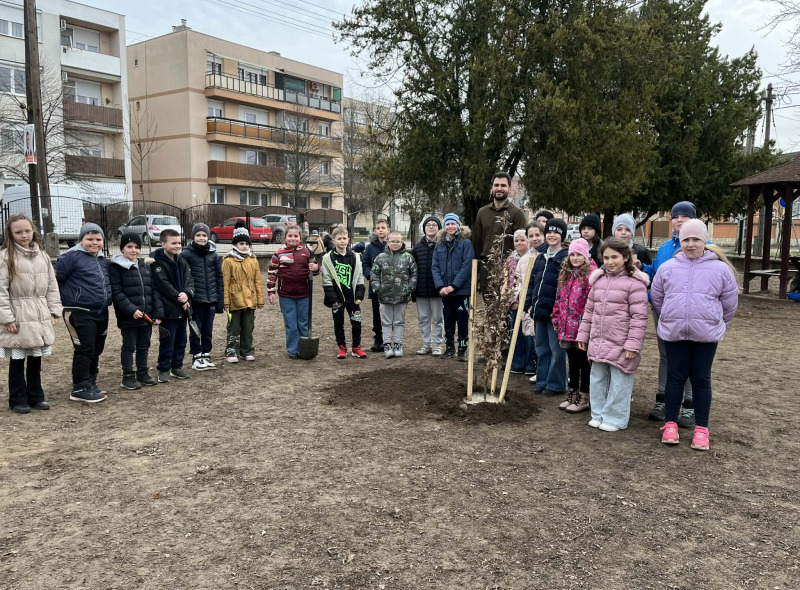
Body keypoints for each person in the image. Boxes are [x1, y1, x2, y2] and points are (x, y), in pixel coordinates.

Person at [650, 220, 738, 450]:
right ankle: (670, 424)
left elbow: (729, 305)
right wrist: (671, 317)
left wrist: (716, 323)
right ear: (680, 241)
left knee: (701, 379)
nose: (690, 244)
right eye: (686, 240)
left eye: (696, 239)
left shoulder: (720, 270)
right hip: (675, 333)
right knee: (675, 378)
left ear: (705, 241)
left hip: (705, 335)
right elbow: (657, 299)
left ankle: (701, 429)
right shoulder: (668, 268)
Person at [576, 238, 649, 431]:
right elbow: (589, 310)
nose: (610, 261)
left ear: (625, 257)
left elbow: (639, 317)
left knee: (620, 381)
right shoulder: (598, 281)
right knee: (598, 378)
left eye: (614, 257)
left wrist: (633, 345)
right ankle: (598, 413)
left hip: (621, 341)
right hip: (599, 340)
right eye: (606, 257)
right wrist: (583, 335)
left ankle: (615, 418)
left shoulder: (635, 283)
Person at [642, 201, 697, 426]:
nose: (679, 220)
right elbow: (655, 276)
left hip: (692, 314)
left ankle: (690, 405)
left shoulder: (705, 246)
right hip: (663, 313)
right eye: (675, 217)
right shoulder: (665, 248)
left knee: (691, 359)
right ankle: (663, 400)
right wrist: (640, 269)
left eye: (685, 216)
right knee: (666, 357)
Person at [0, 214, 62, 413]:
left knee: (36, 357)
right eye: (18, 232)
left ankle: (36, 396)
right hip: (18, 313)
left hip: (39, 313)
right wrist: (7, 318)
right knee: (18, 359)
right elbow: (1, 291)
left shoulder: (42, 256)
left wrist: (53, 311)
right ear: (10, 234)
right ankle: (17, 398)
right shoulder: (5, 257)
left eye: (27, 230)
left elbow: (52, 286)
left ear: (33, 230)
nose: (24, 235)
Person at [55, 222, 112, 403]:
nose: (94, 242)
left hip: (101, 311)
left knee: (96, 347)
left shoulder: (102, 260)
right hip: (79, 311)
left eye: (98, 239)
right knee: (84, 348)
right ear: (81, 240)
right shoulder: (70, 258)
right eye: (89, 239)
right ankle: (79, 386)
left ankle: (91, 381)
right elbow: (55, 281)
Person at [109, 233, 164, 390]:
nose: (134, 250)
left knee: (144, 345)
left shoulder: (145, 266)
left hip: (146, 316)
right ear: (122, 249)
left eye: (137, 247)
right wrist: (131, 310)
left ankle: (142, 372)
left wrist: (157, 313)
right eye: (130, 247)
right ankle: (127, 376)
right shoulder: (116, 268)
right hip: (129, 316)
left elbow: (153, 291)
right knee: (129, 346)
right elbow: (117, 293)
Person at [552, 238, 597, 412]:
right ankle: (573, 393)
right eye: (572, 254)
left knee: (583, 362)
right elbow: (559, 298)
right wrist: (556, 317)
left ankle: (584, 395)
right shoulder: (565, 273)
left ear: (585, 255)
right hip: (566, 326)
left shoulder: (590, 275)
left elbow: (591, 302)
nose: (575, 258)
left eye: (579, 254)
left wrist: (586, 323)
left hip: (581, 327)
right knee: (571, 361)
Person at [524, 218, 569, 395]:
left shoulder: (565, 259)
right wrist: (529, 304)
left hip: (555, 312)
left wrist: (560, 309)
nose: (552, 235)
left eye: (556, 232)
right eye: (549, 232)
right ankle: (542, 380)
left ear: (562, 236)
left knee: (556, 349)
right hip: (539, 309)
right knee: (541, 348)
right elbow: (532, 283)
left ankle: (556, 384)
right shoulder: (541, 258)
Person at [267, 225, 320, 359]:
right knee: (291, 324)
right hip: (286, 295)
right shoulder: (278, 254)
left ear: (300, 238)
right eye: (290, 236)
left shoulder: (307, 253)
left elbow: (316, 271)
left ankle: (304, 348)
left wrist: (315, 268)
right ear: (285, 238)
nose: (293, 238)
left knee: (303, 323)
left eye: (296, 236)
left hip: (304, 294)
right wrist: (271, 291)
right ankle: (293, 349)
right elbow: (272, 273)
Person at [150, 228, 194, 381]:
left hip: (183, 309)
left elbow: (189, 280)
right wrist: (179, 297)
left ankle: (177, 366)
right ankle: (163, 368)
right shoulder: (157, 264)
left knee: (181, 340)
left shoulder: (181, 261)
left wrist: (187, 294)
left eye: (179, 243)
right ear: (163, 244)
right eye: (173, 243)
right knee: (167, 340)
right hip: (168, 309)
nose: (177, 246)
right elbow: (163, 285)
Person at [472, 172, 527, 294]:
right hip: (487, 266)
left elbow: (521, 244)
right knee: (489, 306)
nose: (499, 188)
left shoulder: (517, 213)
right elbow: (477, 242)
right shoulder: (482, 212)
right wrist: (477, 270)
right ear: (492, 188)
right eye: (496, 185)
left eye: (503, 185)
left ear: (509, 188)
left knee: (506, 306)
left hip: (509, 267)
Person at [180, 223, 223, 371]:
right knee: (195, 329)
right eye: (198, 235)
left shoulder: (213, 255)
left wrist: (220, 301)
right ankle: (196, 356)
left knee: (208, 329)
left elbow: (219, 278)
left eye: (204, 235)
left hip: (210, 299)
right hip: (195, 300)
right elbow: (183, 278)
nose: (201, 238)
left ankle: (206, 353)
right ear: (193, 237)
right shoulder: (186, 255)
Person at [432, 213, 474, 361]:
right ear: (444, 227)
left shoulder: (465, 243)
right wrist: (441, 286)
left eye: (453, 224)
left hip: (460, 290)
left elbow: (467, 266)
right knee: (448, 320)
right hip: (444, 291)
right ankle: (449, 347)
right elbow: (435, 267)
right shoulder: (440, 244)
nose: (450, 226)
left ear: (458, 225)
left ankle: (462, 348)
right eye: (447, 224)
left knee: (462, 321)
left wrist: (454, 286)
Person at [371, 230, 418, 358]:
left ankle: (398, 344)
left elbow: (414, 273)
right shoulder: (380, 257)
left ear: (402, 242)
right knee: (386, 322)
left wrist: (410, 287)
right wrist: (377, 287)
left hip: (401, 296)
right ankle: (387, 345)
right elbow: (374, 273)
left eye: (398, 241)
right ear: (388, 242)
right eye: (393, 241)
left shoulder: (408, 257)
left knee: (399, 321)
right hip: (384, 295)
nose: (396, 243)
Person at [321, 226, 366, 359]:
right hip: (337, 299)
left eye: (344, 238)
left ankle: (356, 347)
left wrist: (359, 294)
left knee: (356, 322)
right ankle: (342, 347)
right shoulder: (327, 258)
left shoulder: (355, 257)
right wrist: (333, 298)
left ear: (348, 239)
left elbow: (359, 277)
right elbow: (327, 280)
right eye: (339, 239)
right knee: (338, 323)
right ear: (333, 241)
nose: (342, 241)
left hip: (352, 298)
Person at [222, 222, 264, 363]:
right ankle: (231, 351)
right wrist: (225, 301)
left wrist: (260, 299)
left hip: (250, 300)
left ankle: (247, 350)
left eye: (247, 243)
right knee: (233, 327)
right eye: (241, 243)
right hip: (234, 301)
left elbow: (257, 281)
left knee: (248, 326)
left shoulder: (253, 260)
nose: (245, 246)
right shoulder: (228, 261)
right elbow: (225, 282)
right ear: (235, 244)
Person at [412, 216, 444, 356]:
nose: (431, 227)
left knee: (438, 318)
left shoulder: (442, 245)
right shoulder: (417, 247)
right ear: (424, 228)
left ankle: (437, 345)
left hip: (437, 290)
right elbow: (412, 269)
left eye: (434, 225)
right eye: (428, 225)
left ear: (438, 228)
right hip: (421, 290)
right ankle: (427, 343)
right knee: (423, 318)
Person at [519, 221, 544, 378]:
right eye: (531, 236)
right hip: (529, 304)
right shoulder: (524, 260)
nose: (535, 239)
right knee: (534, 337)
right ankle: (537, 368)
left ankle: (546, 370)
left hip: (544, 304)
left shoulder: (547, 256)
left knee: (545, 340)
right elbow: (520, 283)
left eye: (538, 235)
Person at [362, 218, 390, 351]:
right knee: (377, 314)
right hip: (376, 287)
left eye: (383, 227)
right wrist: (371, 276)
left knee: (389, 314)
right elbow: (365, 264)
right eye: (378, 228)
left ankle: (388, 339)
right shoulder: (370, 248)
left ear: (388, 230)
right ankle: (378, 339)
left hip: (391, 287)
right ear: (375, 230)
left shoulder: (391, 245)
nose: (380, 230)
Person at [505, 229, 530, 373]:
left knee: (528, 334)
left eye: (522, 240)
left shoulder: (532, 257)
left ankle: (529, 363)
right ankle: (517, 362)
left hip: (526, 303)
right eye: (516, 240)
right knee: (515, 333)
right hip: (514, 303)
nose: (519, 243)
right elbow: (507, 283)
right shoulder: (510, 260)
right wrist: (511, 301)